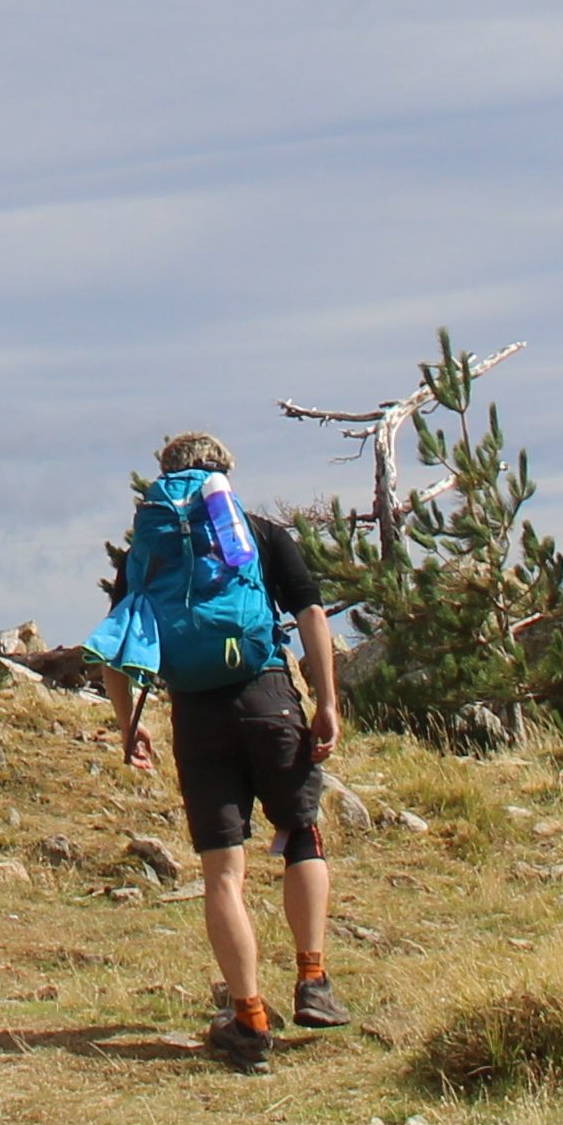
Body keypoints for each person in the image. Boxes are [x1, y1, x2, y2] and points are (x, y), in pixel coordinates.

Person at [87, 431, 347, 1071]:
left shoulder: (151, 551)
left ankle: (249, 1020)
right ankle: (313, 981)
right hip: (268, 700)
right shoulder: (256, 533)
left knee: (222, 873)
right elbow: (311, 614)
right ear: (224, 476)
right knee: (301, 833)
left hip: (196, 716)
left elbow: (119, 640)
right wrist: (326, 699)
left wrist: (129, 724)